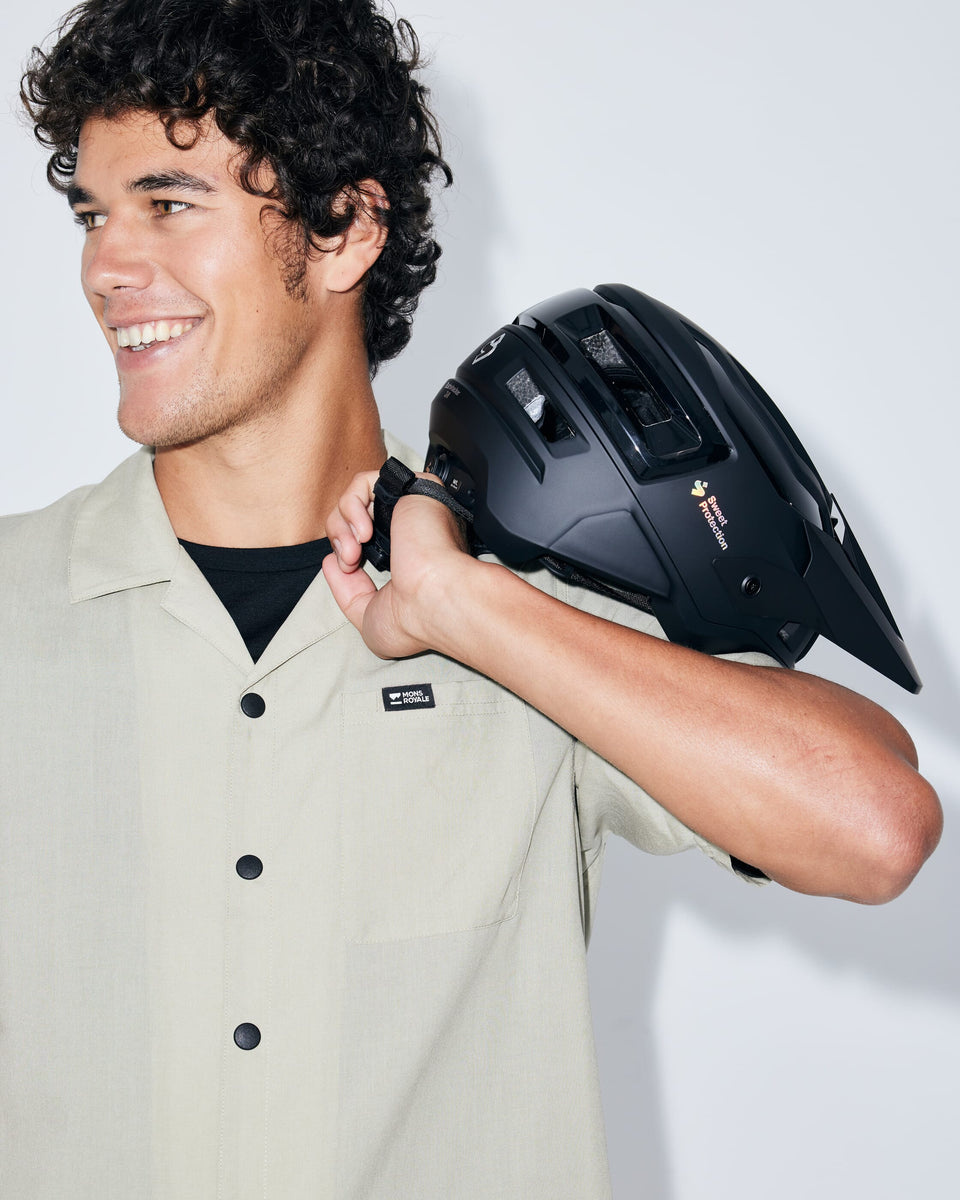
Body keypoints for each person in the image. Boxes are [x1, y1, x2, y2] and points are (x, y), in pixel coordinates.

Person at [2, 1, 941, 1196]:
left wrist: (465, 607)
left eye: (169, 203)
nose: (105, 268)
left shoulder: (530, 597)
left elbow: (874, 826)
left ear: (344, 230)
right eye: (93, 215)